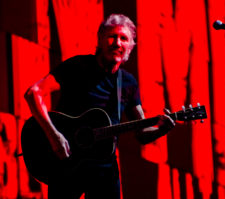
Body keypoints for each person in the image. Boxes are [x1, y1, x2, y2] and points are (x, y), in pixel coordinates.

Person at [24, 14, 175, 199]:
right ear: (100, 39)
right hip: (67, 162)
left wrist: (162, 128)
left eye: (124, 38)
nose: (117, 43)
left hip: (104, 168)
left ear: (130, 47)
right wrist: (54, 136)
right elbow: (34, 93)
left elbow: (141, 132)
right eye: (112, 36)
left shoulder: (127, 83)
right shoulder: (78, 66)